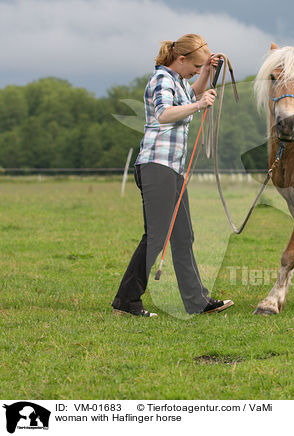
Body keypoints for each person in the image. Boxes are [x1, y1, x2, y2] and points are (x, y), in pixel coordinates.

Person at [112, 33, 234, 317]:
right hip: (157, 166)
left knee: (183, 236)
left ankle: (197, 302)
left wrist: (206, 72)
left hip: (174, 170)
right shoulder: (161, 80)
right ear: (180, 59)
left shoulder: (178, 81)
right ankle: (127, 301)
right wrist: (199, 105)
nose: (195, 72)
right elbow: (164, 114)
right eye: (194, 67)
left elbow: (192, 92)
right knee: (156, 236)